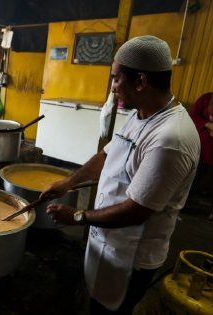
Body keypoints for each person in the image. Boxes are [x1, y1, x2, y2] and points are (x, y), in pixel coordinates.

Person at [43, 36, 200, 314]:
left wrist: (78, 216)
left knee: (112, 311)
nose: (113, 88)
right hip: (108, 243)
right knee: (97, 304)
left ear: (140, 81)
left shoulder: (170, 139)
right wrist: (68, 183)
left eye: (116, 79)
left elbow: (137, 211)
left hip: (131, 255)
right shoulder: (142, 113)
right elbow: (108, 154)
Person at [189, 92, 213, 202]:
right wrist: (208, 124)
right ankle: (184, 202)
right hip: (202, 149)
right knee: (193, 176)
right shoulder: (207, 98)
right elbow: (192, 116)